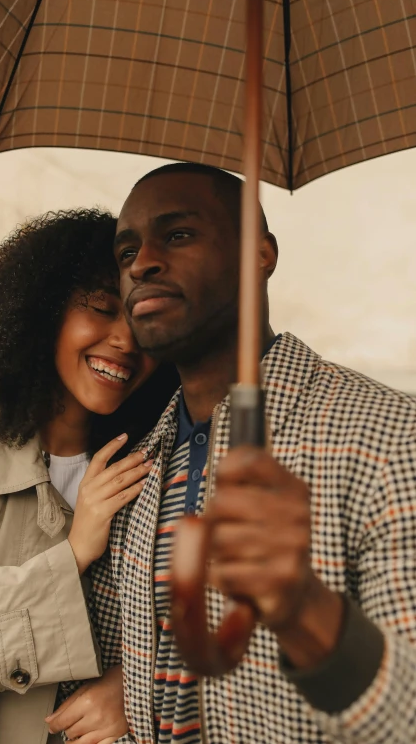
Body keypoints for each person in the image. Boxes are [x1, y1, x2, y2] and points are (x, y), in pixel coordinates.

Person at [48, 164, 416, 744]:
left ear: (260, 254)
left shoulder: (388, 437)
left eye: (178, 235)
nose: (141, 263)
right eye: (126, 253)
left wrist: (306, 612)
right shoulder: (132, 474)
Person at [0, 208, 179, 744]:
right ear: (42, 311)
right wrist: (71, 553)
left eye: (143, 321)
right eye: (101, 308)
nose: (125, 340)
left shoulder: (159, 463)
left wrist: (138, 688)